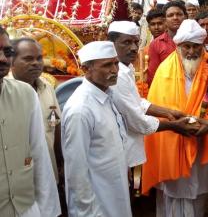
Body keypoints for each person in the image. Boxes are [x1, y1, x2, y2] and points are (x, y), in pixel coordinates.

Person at [142, 20, 208, 217]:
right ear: (178, 46)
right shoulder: (165, 69)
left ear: (202, 45)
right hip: (172, 139)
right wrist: (175, 125)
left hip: (201, 139)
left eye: (195, 47)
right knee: (171, 191)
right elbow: (157, 104)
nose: (191, 51)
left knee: (196, 191)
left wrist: (207, 124)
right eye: (186, 47)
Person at [107, 21, 197, 169]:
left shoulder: (125, 68)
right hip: (117, 150)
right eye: (127, 42)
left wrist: (170, 112)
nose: (134, 48)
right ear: (111, 43)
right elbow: (137, 120)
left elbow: (138, 102)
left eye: (137, 42)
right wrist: (174, 126)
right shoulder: (116, 75)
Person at [62, 41, 131, 217]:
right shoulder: (81, 109)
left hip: (114, 189)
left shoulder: (107, 93)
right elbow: (76, 170)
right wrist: (88, 210)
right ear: (86, 69)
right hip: (96, 205)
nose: (115, 70)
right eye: (107, 65)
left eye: (116, 63)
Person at [0, 26, 61, 217]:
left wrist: (49, 209)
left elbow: (40, 153)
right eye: (28, 59)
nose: (2, 58)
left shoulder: (28, 93)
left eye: (6, 52)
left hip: (26, 205)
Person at [9, 38, 62, 182]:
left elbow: (55, 125)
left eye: (39, 58)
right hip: (18, 180)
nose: (35, 63)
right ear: (11, 61)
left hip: (49, 173)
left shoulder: (47, 88)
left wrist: (60, 162)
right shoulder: (5, 91)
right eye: (28, 58)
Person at [147, 0, 187, 84]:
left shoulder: (196, 40)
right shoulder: (156, 44)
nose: (175, 18)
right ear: (165, 20)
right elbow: (153, 77)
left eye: (179, 14)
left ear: (185, 17)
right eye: (170, 15)